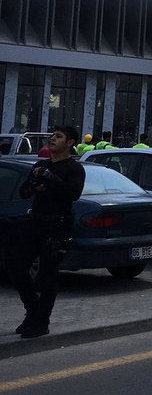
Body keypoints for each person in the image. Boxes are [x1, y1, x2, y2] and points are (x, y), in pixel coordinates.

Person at [8, 125, 85, 339]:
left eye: (58, 136)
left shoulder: (73, 168)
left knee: (47, 274)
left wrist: (51, 179)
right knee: (16, 266)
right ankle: (33, 310)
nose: (52, 139)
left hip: (57, 225)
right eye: (52, 135)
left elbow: (74, 193)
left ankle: (41, 322)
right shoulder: (41, 164)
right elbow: (24, 192)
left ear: (69, 143)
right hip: (35, 221)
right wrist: (34, 186)